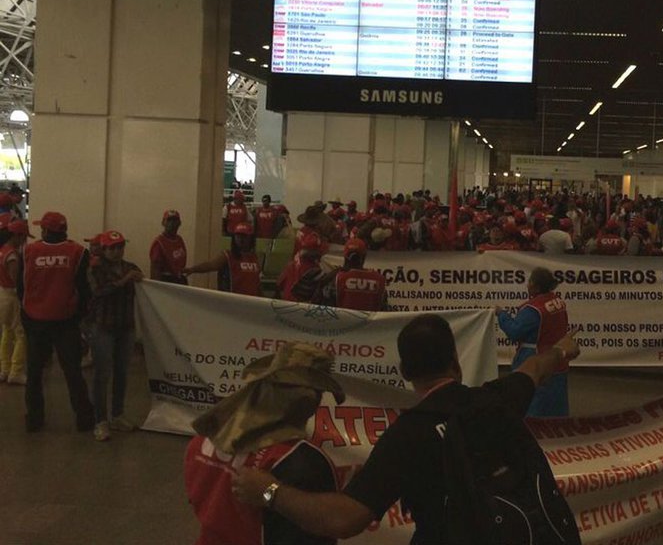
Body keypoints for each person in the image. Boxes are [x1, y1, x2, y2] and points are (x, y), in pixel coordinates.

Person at [233, 314, 581, 544]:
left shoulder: (409, 436)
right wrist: (562, 350)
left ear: (404, 371)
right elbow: (536, 367)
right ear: (455, 362)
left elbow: (345, 519)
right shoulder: (497, 399)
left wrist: (269, 492)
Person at [185, 343, 345, 545]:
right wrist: (271, 493)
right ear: (309, 401)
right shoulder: (301, 459)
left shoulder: (203, 440)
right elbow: (324, 525)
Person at [21, 211, 95, 432]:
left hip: (36, 321)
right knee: (73, 373)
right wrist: (77, 318)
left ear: (45, 230)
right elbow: (84, 290)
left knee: (34, 373)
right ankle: (84, 420)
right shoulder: (79, 252)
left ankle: (34, 420)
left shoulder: (29, 251)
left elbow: (20, 288)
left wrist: (27, 314)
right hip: (66, 322)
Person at [85, 230, 143, 442]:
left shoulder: (130, 267)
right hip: (103, 327)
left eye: (120, 247)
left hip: (125, 326)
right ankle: (100, 420)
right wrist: (126, 280)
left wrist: (134, 278)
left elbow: (140, 278)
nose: (117, 251)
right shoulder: (95, 268)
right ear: (104, 249)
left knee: (122, 372)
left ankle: (117, 414)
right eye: (113, 248)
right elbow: (99, 290)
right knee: (102, 374)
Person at [496, 267, 571, 417]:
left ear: (536, 286)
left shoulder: (533, 310)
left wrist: (502, 315)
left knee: (534, 406)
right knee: (557, 405)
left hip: (536, 361)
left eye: (529, 281)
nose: (527, 284)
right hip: (558, 359)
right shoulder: (557, 301)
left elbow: (515, 332)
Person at [184, 222, 261, 297]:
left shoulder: (254, 257)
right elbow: (211, 265)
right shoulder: (227, 256)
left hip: (252, 301)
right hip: (232, 300)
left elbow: (256, 282)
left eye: (244, 236)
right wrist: (193, 269)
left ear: (251, 238)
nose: (240, 239)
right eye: (238, 236)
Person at [0, 215, 31, 384]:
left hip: (1, 294)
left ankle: (4, 370)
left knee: (6, 332)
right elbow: (15, 280)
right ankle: (16, 371)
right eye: (23, 237)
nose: (24, 241)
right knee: (21, 334)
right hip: (12, 296)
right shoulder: (12, 255)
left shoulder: (2, 250)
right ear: (17, 236)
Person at [275, 233, 325, 302]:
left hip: (285, 305)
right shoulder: (316, 270)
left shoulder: (291, 265)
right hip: (302, 307)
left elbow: (278, 285)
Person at [149, 209, 188, 284]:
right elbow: (155, 271)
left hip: (179, 279)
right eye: (169, 220)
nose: (172, 223)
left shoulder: (179, 239)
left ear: (179, 223)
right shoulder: (158, 243)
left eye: (175, 220)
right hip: (166, 281)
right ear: (163, 223)